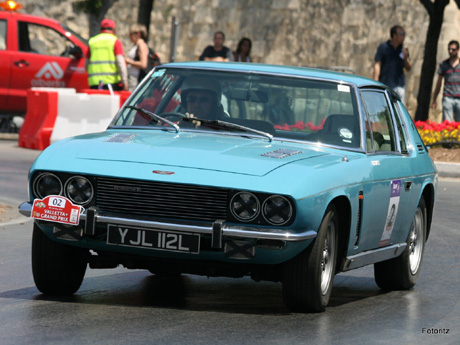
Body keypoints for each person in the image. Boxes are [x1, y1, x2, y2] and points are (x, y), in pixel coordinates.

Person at [86, 19, 128, 91]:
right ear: (114, 29)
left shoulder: (92, 41)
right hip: (111, 83)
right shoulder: (115, 41)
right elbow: (120, 62)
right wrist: (124, 81)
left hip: (94, 83)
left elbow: (86, 64)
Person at [373, 25, 412, 102]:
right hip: (385, 85)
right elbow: (377, 64)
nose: (403, 36)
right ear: (394, 36)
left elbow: (408, 68)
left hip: (400, 87)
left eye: (404, 34)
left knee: (399, 112)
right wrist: (375, 81)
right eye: (401, 33)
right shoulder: (383, 47)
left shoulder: (403, 50)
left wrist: (406, 58)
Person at [431, 40, 460, 122]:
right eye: (449, 49)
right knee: (447, 125)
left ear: (458, 50)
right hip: (448, 98)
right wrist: (434, 100)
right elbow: (438, 83)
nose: (450, 51)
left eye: (453, 49)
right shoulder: (443, 64)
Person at [125, 24, 149, 91]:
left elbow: (143, 64)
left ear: (138, 34)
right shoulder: (136, 46)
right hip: (132, 78)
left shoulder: (141, 45)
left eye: (131, 34)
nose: (129, 36)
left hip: (135, 79)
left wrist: (129, 62)